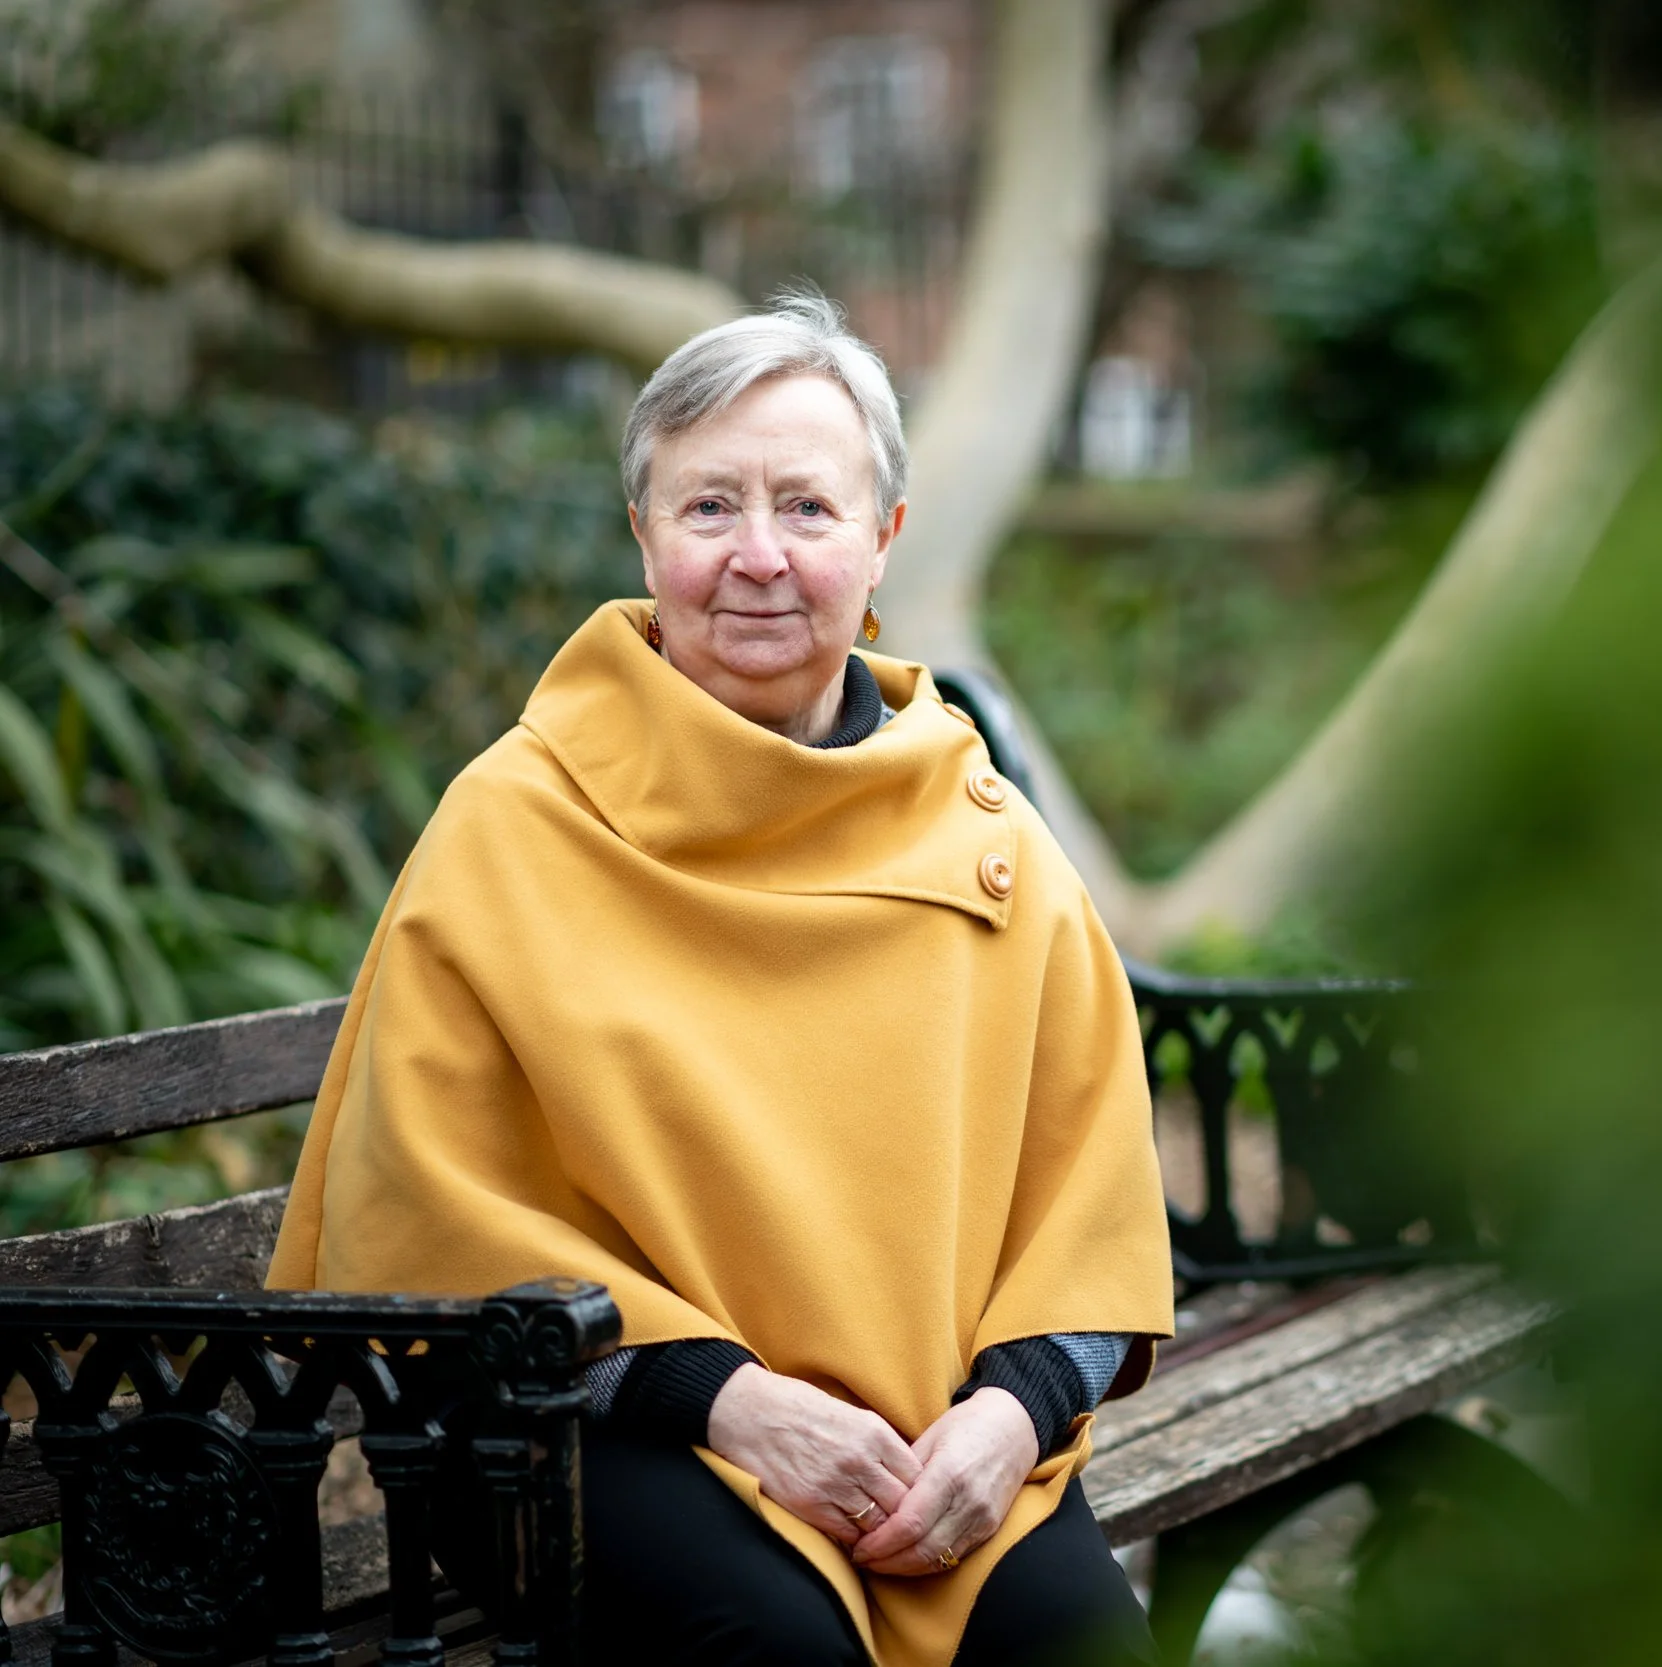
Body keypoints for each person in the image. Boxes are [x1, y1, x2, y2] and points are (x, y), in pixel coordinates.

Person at [268, 289, 1175, 1667]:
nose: (759, 556)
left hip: (935, 1427)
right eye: (709, 509)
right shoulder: (518, 819)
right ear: (643, 535)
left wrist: (1017, 1412)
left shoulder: (981, 828)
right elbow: (423, 1208)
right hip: (585, 1423)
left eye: (809, 510)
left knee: (1079, 1639)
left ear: (884, 542)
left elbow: (1090, 1200)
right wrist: (733, 1401)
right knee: (775, 1642)